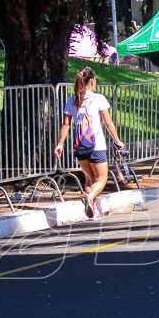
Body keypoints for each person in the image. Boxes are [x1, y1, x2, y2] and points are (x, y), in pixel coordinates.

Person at [53, 67, 125, 220]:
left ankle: (93, 210)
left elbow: (66, 125)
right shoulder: (98, 99)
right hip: (96, 146)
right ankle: (89, 196)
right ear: (92, 81)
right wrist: (117, 140)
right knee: (101, 179)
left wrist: (60, 144)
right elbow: (108, 122)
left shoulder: (72, 100)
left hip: (80, 147)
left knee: (88, 179)